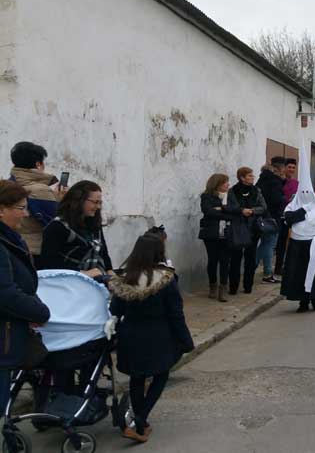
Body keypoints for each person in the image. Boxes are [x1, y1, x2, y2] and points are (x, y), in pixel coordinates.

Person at [108, 232, 193, 443]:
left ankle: (141, 424)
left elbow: (115, 310)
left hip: (130, 335)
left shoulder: (123, 279)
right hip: (158, 335)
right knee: (161, 375)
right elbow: (176, 313)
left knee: (137, 378)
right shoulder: (166, 279)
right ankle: (140, 417)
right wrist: (185, 339)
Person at [0, 180, 52, 416]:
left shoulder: (10, 239)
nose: (26, 214)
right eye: (21, 208)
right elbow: (5, 294)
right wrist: (39, 312)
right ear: (1, 209)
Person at [280, 145, 315, 313]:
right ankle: (302, 302)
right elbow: (288, 219)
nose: (306, 195)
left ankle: (314, 298)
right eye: (303, 192)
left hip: (314, 244)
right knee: (299, 274)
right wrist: (303, 210)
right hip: (297, 245)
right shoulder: (293, 206)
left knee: (314, 273)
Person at [38, 180, 112, 277]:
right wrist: (82, 273)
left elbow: (103, 252)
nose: (98, 207)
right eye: (95, 202)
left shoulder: (94, 224)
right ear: (79, 201)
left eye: (100, 203)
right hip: (69, 281)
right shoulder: (58, 226)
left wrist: (110, 272)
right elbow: (49, 261)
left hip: (97, 279)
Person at [9, 141, 65, 259]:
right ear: (38, 164)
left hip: (14, 246)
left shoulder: (9, 185)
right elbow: (55, 222)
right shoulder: (40, 190)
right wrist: (60, 199)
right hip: (37, 251)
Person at [225, 167, 266, 295]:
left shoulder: (256, 191)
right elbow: (229, 207)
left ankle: (248, 286)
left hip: (253, 228)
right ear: (242, 178)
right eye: (249, 175)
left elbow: (263, 207)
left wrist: (252, 211)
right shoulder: (232, 191)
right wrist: (241, 210)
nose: (252, 177)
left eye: (252, 175)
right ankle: (233, 287)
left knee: (250, 258)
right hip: (237, 227)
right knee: (235, 258)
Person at [198, 173, 233, 301]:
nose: (228, 184)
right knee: (212, 260)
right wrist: (225, 211)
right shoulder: (206, 196)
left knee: (225, 261)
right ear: (217, 184)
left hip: (226, 233)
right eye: (225, 182)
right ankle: (212, 286)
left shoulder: (230, 196)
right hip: (211, 233)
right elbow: (208, 211)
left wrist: (220, 209)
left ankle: (223, 289)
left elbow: (235, 212)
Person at [256, 163, 286, 284]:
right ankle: (267, 273)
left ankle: (254, 268)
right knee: (269, 245)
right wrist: (284, 200)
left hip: (261, 217)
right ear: (276, 170)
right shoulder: (275, 182)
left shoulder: (261, 180)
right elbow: (277, 200)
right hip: (273, 218)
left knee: (264, 244)